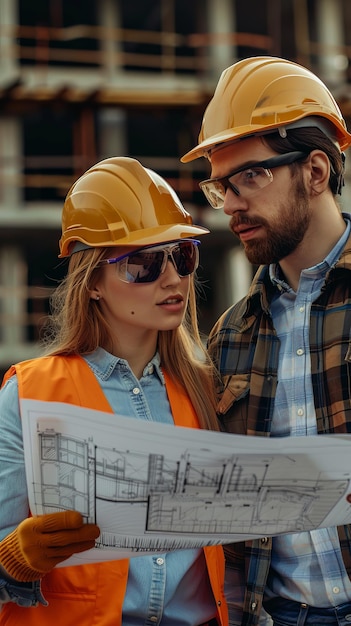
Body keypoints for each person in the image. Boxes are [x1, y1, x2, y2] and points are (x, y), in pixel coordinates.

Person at [0, 156, 229, 626]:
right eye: (143, 263)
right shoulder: (28, 394)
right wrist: (13, 559)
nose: (172, 279)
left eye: (181, 256)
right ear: (94, 284)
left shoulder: (210, 390)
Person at [181, 55, 351, 626]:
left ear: (316, 171)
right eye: (221, 185)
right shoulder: (231, 334)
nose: (229, 204)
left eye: (250, 176)